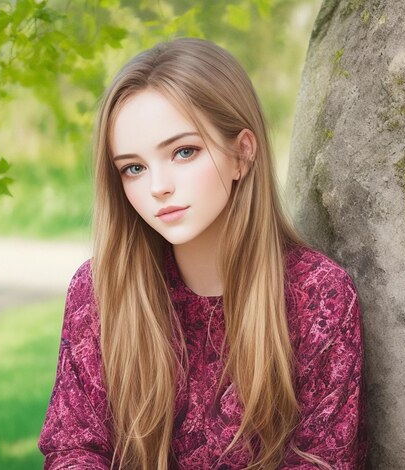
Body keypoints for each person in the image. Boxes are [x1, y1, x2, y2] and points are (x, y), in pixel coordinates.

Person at [38, 37, 367, 469]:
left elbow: (323, 460)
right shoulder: (99, 289)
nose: (158, 186)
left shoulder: (317, 294)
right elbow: (73, 450)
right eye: (133, 168)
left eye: (183, 152)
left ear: (242, 154)